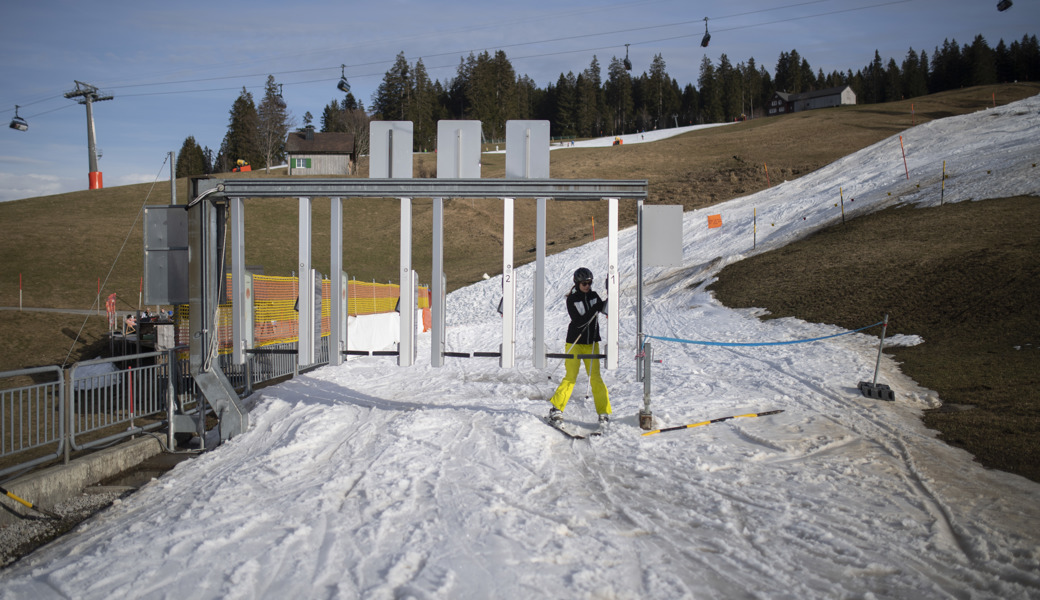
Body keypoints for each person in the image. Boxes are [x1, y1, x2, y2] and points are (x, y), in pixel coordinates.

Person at [548, 267, 611, 425]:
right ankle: (556, 409)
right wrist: (595, 308)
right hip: (575, 342)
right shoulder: (572, 299)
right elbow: (579, 321)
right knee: (571, 377)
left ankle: (603, 412)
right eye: (584, 283)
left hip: (591, 343)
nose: (587, 286)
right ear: (577, 283)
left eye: (589, 283)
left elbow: (604, 309)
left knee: (596, 378)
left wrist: (611, 296)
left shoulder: (594, 296)